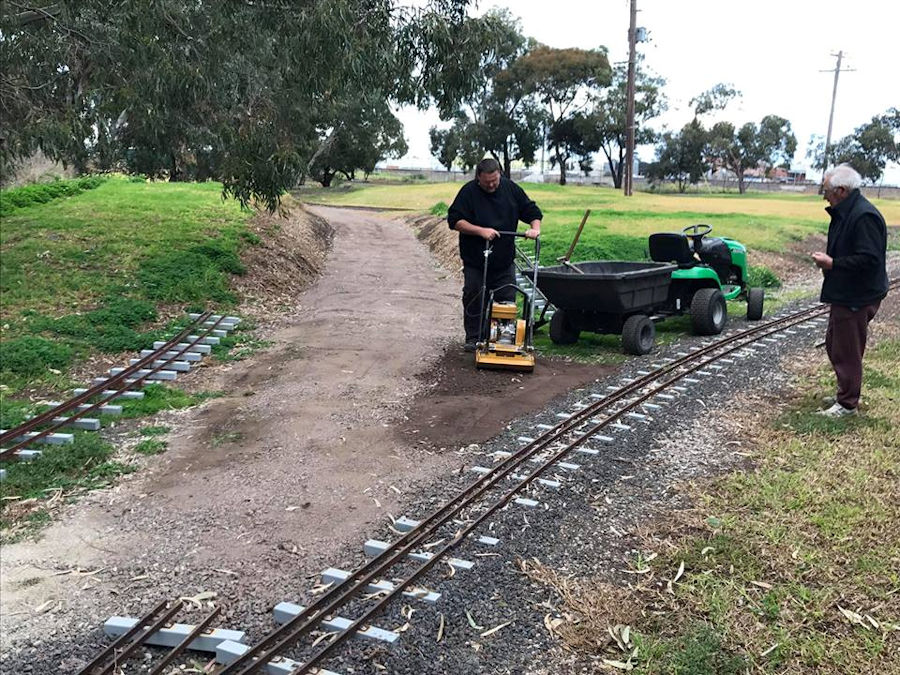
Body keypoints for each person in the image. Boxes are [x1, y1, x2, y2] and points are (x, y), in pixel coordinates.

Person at [811, 163, 888, 417]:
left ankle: (847, 405)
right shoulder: (846, 211)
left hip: (858, 294)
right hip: (845, 291)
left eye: (826, 191)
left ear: (841, 190)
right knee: (836, 344)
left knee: (848, 350)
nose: (824, 196)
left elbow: (870, 259)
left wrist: (832, 263)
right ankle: (845, 391)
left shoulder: (863, 216)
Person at [447, 158, 543, 351]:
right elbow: (455, 220)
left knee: (507, 297)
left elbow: (532, 210)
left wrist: (534, 229)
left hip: (503, 260)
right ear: (478, 178)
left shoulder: (511, 189)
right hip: (476, 258)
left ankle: (502, 339)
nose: (491, 185)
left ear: (499, 174)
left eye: (495, 181)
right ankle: (474, 338)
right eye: (487, 182)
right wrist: (481, 231)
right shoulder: (468, 192)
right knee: (474, 293)